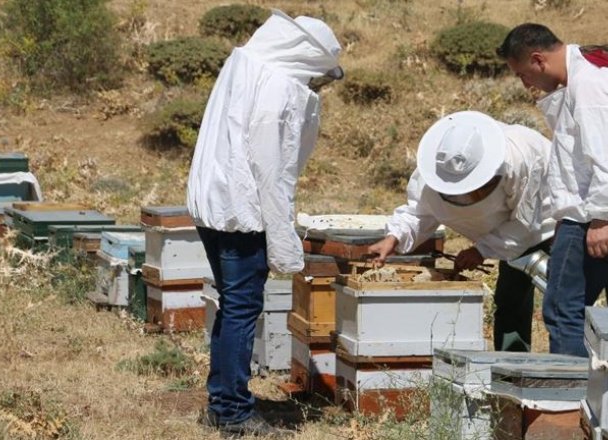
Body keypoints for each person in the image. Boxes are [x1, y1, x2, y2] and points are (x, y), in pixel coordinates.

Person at [186, 9, 343, 436]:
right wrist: (283, 237)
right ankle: (233, 412)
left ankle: (224, 400)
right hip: (240, 210)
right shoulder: (277, 87)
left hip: (213, 202)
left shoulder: (245, 64)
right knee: (241, 307)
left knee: (232, 304)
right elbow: (271, 170)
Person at [497, 24, 608, 357]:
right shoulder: (604, 72)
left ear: (538, 60)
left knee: (566, 310)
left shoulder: (591, 83)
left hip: (601, 216)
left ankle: (568, 403)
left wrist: (600, 218)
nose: (525, 84)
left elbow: (607, 154)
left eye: (522, 74)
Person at [368, 111, 557, 352]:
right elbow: (420, 211)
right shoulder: (432, 174)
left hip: (551, 224)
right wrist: (394, 237)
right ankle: (511, 374)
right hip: (504, 234)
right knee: (509, 303)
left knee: (562, 306)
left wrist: (482, 250)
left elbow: (526, 223)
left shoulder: (523, 158)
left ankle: (570, 371)